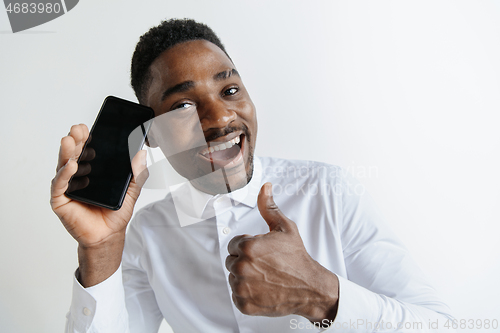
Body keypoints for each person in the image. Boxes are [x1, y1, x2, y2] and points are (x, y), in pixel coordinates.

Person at [51, 19, 454, 332]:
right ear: (151, 133)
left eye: (229, 90)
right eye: (183, 106)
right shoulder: (146, 237)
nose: (221, 118)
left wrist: (320, 293)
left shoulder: (330, 193)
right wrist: (99, 252)